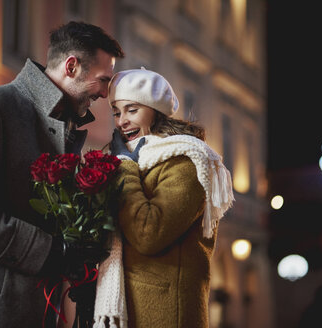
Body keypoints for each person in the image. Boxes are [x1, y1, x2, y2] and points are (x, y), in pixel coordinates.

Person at [0, 21, 124, 328]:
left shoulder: (63, 127)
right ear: (71, 66)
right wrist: (52, 250)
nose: (105, 93)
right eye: (102, 80)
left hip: (29, 309)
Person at [93, 68, 234, 328]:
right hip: (130, 308)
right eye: (116, 112)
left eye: (132, 110)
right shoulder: (132, 160)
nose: (121, 121)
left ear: (155, 111)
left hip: (166, 312)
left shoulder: (186, 161)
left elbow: (149, 233)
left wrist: (124, 166)